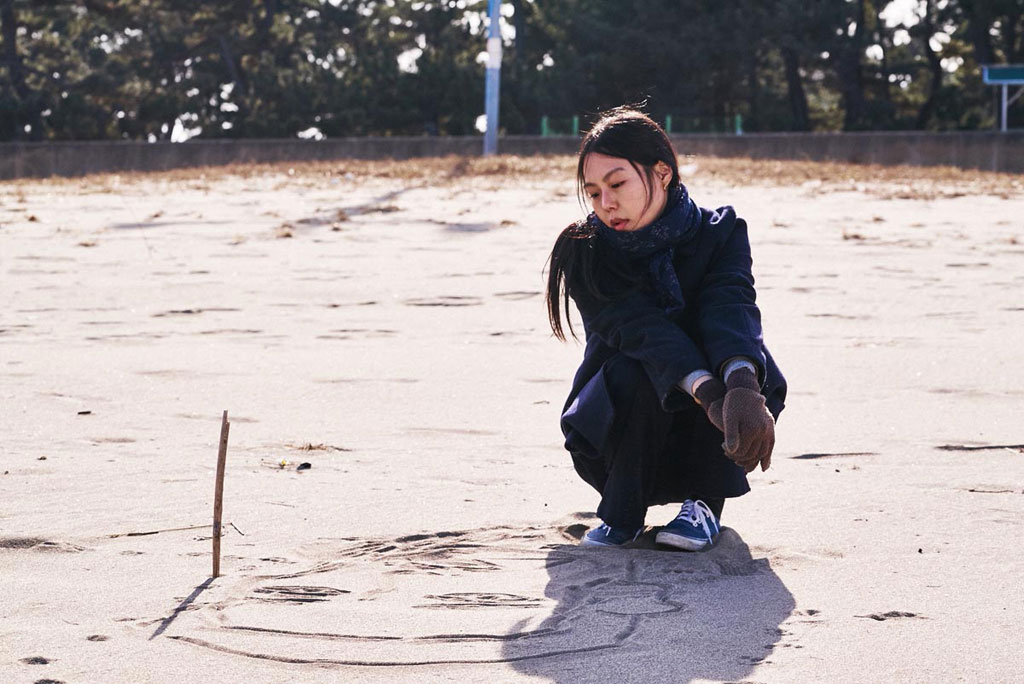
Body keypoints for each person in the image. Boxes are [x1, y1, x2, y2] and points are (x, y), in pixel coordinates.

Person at [546, 107, 786, 550]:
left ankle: (704, 506)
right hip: (617, 428)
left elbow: (730, 304)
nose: (605, 204)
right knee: (638, 367)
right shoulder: (586, 252)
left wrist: (739, 387)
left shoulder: (722, 233)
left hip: (708, 435)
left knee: (745, 361)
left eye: (617, 184)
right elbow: (641, 331)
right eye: (593, 192)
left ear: (662, 173)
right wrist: (708, 394)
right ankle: (622, 514)